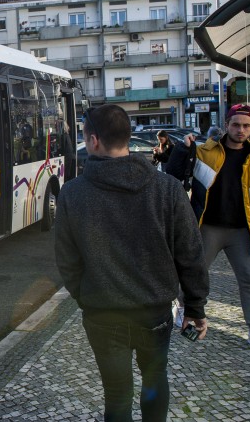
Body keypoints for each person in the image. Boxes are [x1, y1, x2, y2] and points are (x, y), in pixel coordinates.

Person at [55, 104, 209, 421]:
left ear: (93, 140)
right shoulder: (167, 188)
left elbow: (67, 262)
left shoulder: (72, 194)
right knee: (155, 381)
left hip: (103, 314)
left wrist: (86, 296)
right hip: (155, 312)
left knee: (117, 397)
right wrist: (196, 308)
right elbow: (190, 253)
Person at [167, 103, 250, 351]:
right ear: (227, 124)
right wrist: (181, 149)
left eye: (246, 126)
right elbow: (173, 175)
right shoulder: (205, 151)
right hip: (208, 226)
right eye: (236, 125)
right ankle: (183, 308)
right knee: (194, 272)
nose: (241, 130)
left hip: (243, 229)